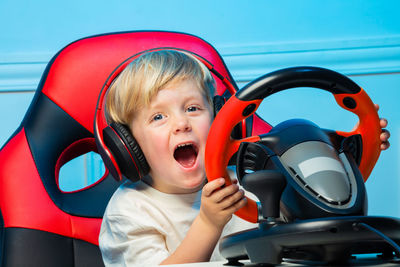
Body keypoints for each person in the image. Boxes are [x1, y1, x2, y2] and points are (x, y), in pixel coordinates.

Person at [99, 50, 390, 266]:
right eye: (159, 117)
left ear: (222, 123)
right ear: (129, 145)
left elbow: (308, 219)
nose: (181, 124)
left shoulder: (251, 181)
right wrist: (208, 224)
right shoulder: (129, 212)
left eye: (192, 109)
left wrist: (351, 155)